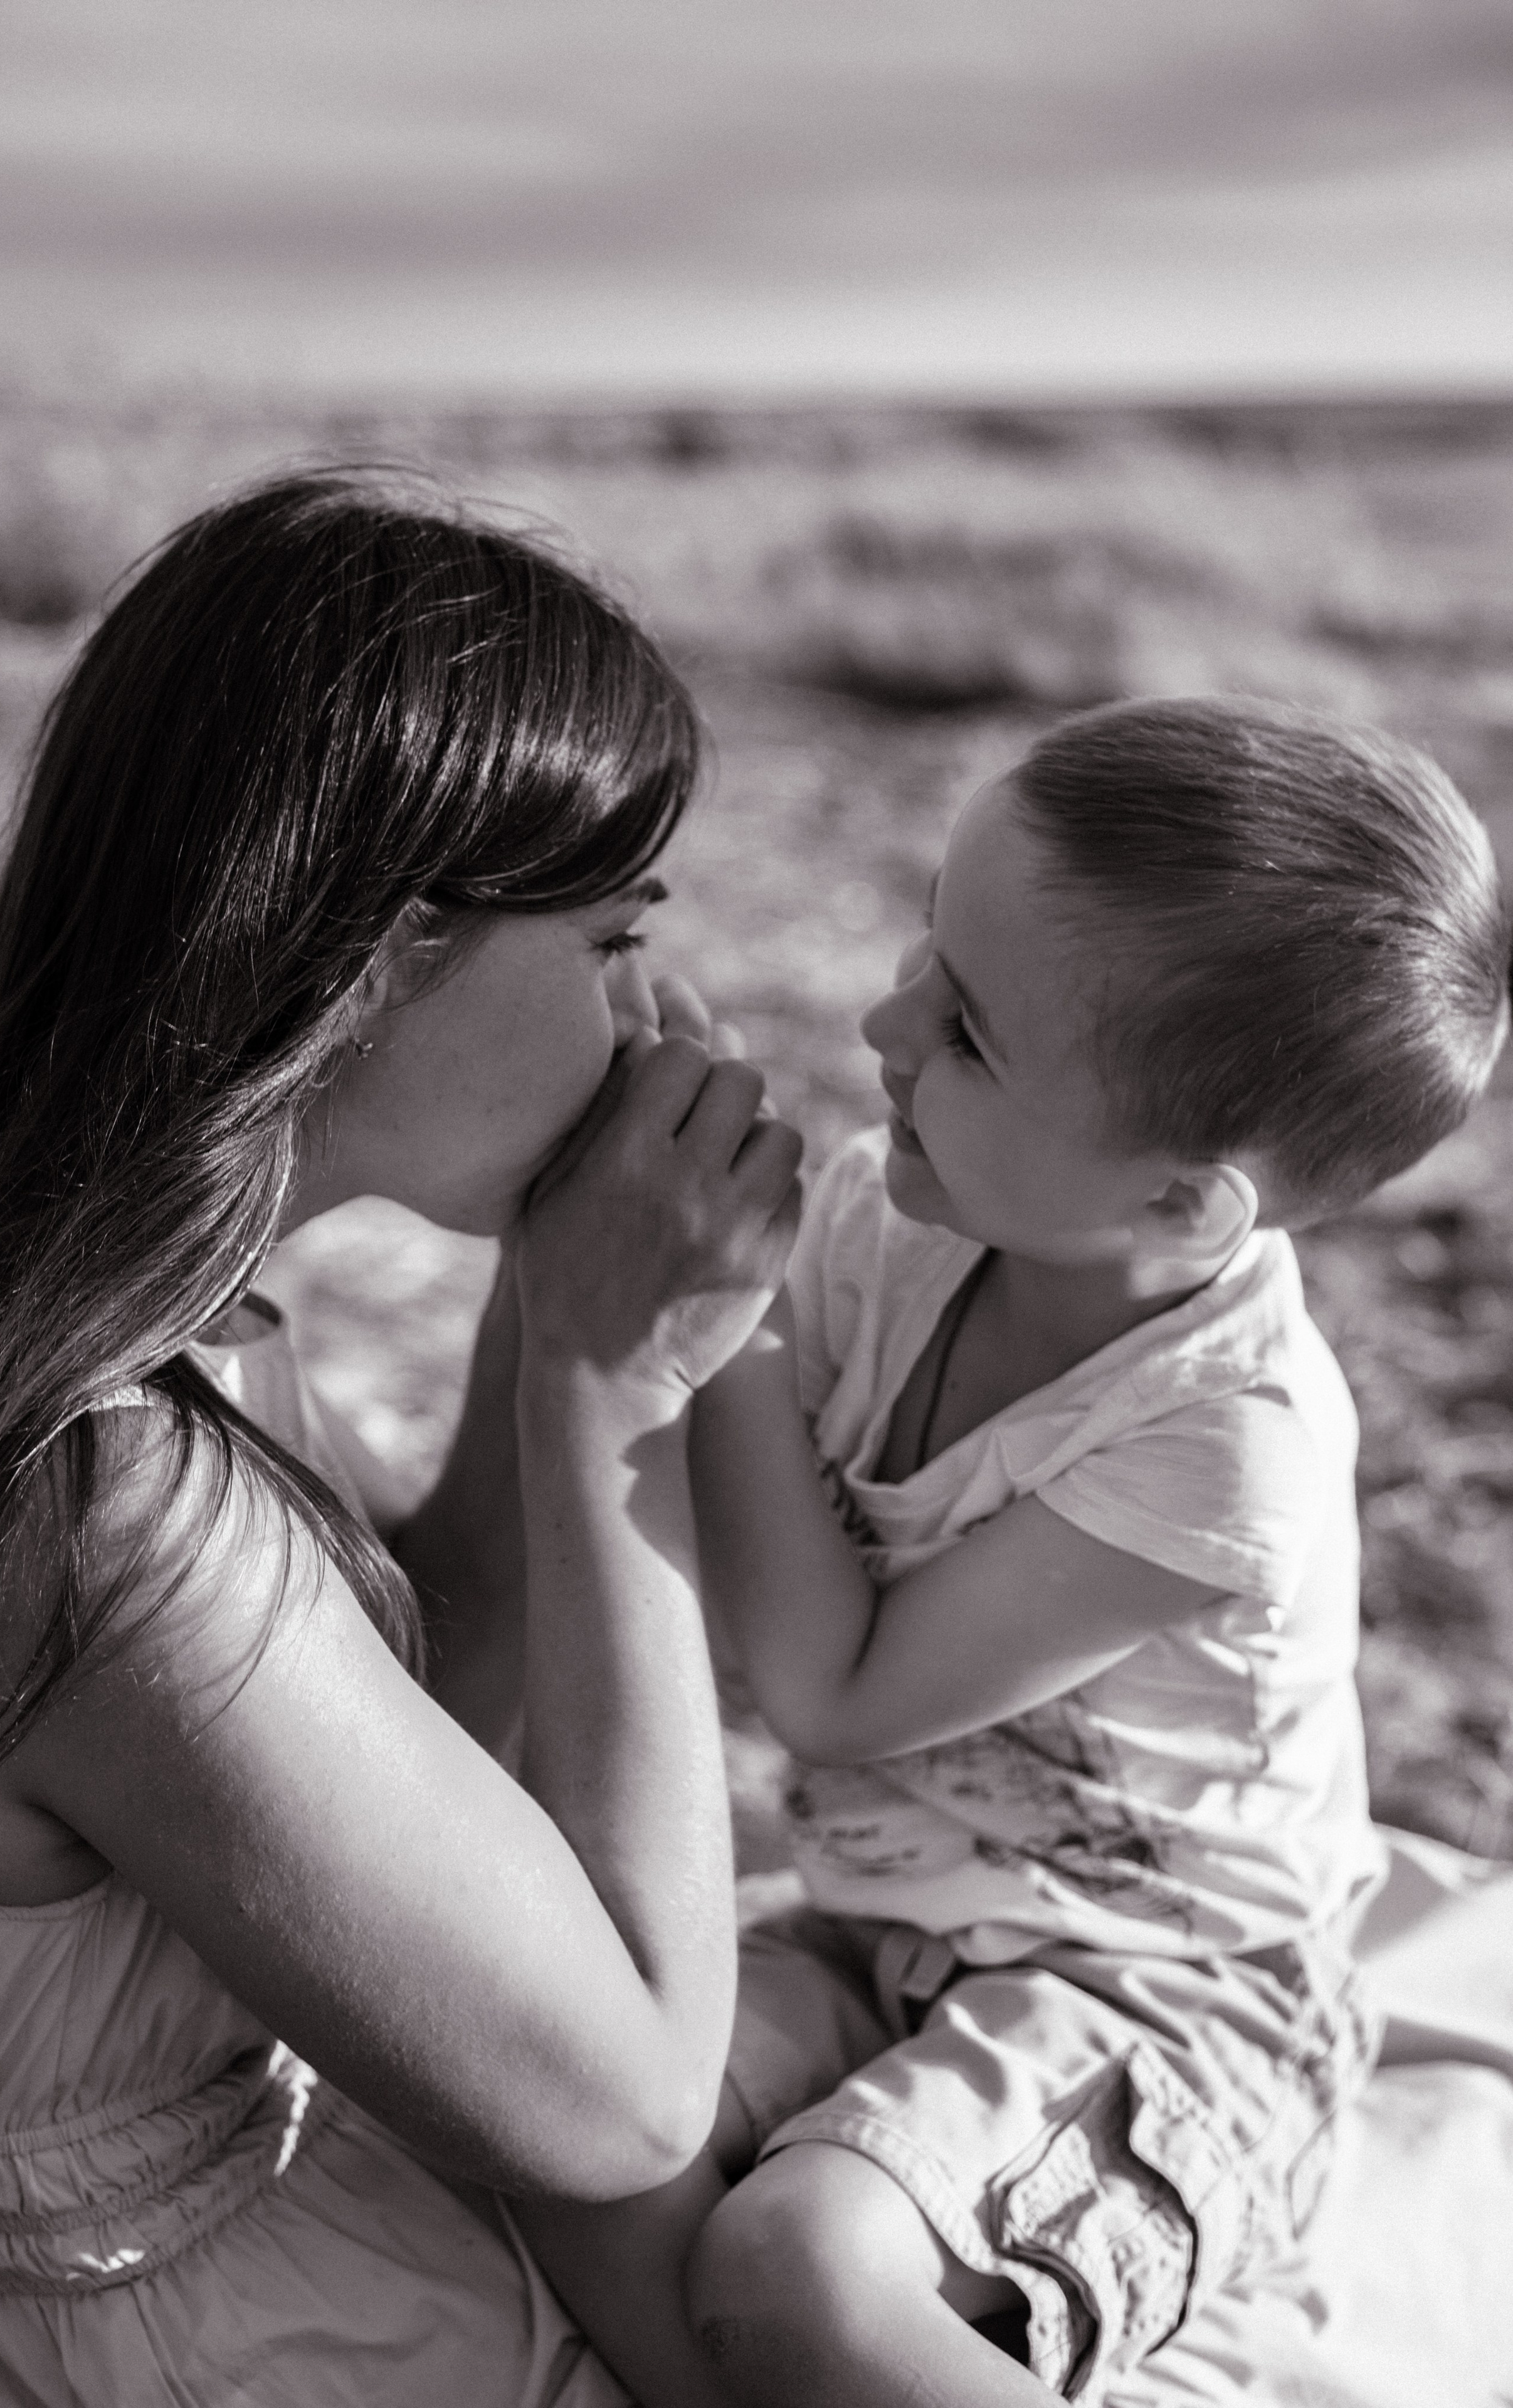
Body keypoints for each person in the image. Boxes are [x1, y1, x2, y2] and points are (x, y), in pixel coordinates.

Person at [0, 472, 803, 2407]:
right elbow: (624, 2098)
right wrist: (612, 1396)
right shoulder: (102, 1498)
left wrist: (553, 1308)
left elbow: (394, 1706)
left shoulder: (50, 1265)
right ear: (388, 952)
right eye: (609, 939)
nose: (647, 1015)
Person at [521, 698, 1513, 2407]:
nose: (883, 1018)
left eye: (967, 1033)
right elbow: (733, 1574)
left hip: (1169, 2002)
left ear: (1178, 1207)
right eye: (928, 940)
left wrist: (723, 1325)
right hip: (886, 1927)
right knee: (567, 2116)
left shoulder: (1226, 1446)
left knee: (798, 2264)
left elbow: (835, 1692)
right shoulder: (885, 1216)